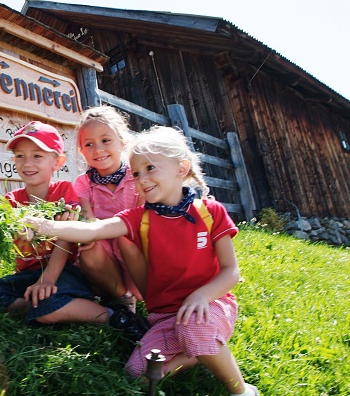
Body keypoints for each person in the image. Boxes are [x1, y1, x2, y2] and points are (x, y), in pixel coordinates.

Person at [21, 126, 259, 396]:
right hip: (167, 316)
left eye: (150, 168)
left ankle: (241, 389)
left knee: (194, 328)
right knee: (135, 371)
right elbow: (93, 230)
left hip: (210, 305)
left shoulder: (210, 212)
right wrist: (43, 226)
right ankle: (196, 354)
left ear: (181, 168)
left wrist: (202, 296)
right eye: (136, 173)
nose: (141, 179)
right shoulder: (138, 218)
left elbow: (231, 272)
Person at [0, 121, 149, 341]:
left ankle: (114, 317)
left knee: (48, 307)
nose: (27, 163)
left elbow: (66, 240)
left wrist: (48, 278)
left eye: (37, 156)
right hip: (27, 274)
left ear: (57, 162)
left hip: (65, 272)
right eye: (20, 156)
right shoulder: (10, 201)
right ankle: (43, 305)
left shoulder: (64, 193)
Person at [73, 105, 144, 312]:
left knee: (127, 238)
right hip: (105, 258)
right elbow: (88, 220)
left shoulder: (138, 175)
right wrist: (90, 231)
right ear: (82, 151)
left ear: (122, 141)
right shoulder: (84, 183)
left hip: (135, 249)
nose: (99, 150)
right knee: (88, 249)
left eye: (106, 140)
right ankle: (123, 298)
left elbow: (141, 218)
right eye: (89, 144)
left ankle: (144, 293)